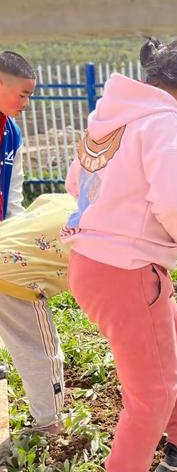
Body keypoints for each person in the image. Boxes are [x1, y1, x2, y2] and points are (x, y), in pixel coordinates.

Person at [63, 37, 177, 472]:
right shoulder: (166, 124)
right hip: (129, 270)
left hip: (95, 264)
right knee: (153, 392)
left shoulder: (110, 118)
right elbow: (174, 204)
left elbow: (74, 184)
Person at [0, 51, 65, 434]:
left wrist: (17, 240)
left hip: (3, 244)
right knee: (29, 332)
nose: (27, 103)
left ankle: (48, 418)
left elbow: (13, 194)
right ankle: (49, 420)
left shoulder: (11, 132)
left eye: (30, 95)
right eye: (22, 94)